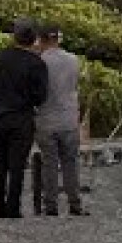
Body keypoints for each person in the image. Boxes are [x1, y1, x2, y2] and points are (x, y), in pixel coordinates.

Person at [0, 17, 49, 219]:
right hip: (22, 117)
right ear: (33, 38)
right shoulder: (37, 63)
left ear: (14, 36)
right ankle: (13, 207)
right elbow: (41, 96)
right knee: (17, 165)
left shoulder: (0, 57)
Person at [34, 25, 88, 217]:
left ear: (42, 40)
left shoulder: (39, 62)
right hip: (69, 119)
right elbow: (75, 86)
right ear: (58, 39)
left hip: (46, 120)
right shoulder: (73, 60)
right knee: (70, 162)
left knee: (49, 163)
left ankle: (51, 205)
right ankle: (75, 203)